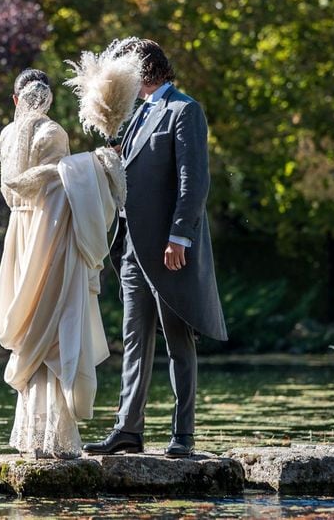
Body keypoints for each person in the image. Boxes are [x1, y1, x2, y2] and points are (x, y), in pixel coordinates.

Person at [84, 39, 227, 459]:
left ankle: (183, 436)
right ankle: (128, 430)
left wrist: (179, 237)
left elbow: (193, 181)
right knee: (134, 340)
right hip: (131, 247)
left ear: (145, 70)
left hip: (168, 249)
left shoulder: (185, 111)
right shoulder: (138, 113)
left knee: (178, 342)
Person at [0, 57, 135, 460]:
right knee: (55, 324)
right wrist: (103, 162)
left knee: (30, 327)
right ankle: (54, 434)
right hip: (49, 232)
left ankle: (32, 432)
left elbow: (16, 189)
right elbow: (64, 188)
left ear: (15, 98)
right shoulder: (53, 131)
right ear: (49, 99)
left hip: (18, 235)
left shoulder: (5, 136)